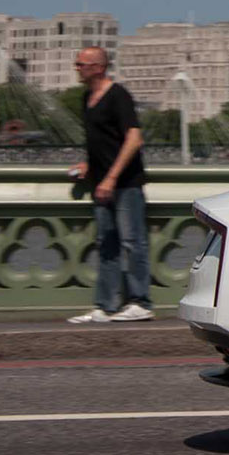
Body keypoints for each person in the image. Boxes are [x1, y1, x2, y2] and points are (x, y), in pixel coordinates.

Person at [66, 46, 153, 323]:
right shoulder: (87, 98)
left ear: (99, 67)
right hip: (101, 182)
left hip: (125, 183)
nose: (76, 67)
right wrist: (89, 166)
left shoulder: (119, 96)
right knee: (106, 244)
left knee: (132, 242)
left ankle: (140, 302)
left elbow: (133, 139)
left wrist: (112, 177)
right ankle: (106, 306)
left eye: (81, 63)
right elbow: (103, 140)